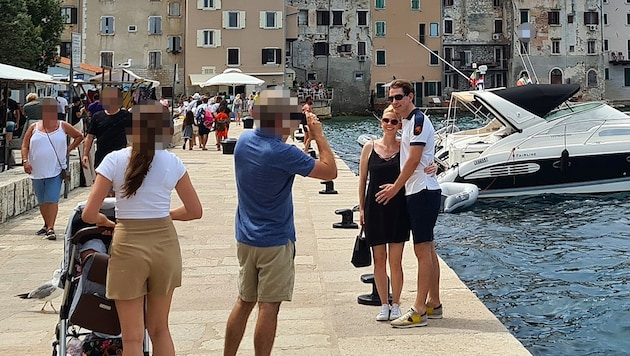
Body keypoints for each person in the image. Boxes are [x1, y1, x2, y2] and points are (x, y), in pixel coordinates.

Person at [81, 100, 202, 356]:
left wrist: (104, 221)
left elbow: (90, 213)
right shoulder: (173, 162)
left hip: (128, 245)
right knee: (160, 330)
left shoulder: (114, 160)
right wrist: (164, 214)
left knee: (133, 338)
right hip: (164, 244)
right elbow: (194, 211)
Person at [224, 87, 337, 356]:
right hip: (274, 241)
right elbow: (330, 171)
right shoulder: (283, 154)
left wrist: (297, 128)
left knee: (244, 302)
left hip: (246, 237)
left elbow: (278, 146)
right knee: (269, 307)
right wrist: (318, 135)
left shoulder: (244, 141)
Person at [375, 79, 442, 328]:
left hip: (421, 191)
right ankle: (434, 302)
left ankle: (418, 310)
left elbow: (413, 160)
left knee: (422, 251)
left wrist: (395, 187)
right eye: (392, 98)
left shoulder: (418, 121)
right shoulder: (408, 122)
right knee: (429, 250)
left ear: (411, 96)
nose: (395, 102)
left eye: (399, 97)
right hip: (420, 190)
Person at [20, 98, 83, 240]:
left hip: (55, 169)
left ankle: (51, 228)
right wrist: (25, 161)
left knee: (52, 199)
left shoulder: (63, 126)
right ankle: (45, 224)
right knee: (42, 200)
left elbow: (79, 136)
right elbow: (25, 145)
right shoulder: (34, 127)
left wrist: (69, 149)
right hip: (36, 170)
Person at [82, 87, 132, 174]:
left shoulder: (126, 116)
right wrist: (85, 154)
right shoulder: (97, 117)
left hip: (120, 159)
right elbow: (89, 137)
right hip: (102, 158)